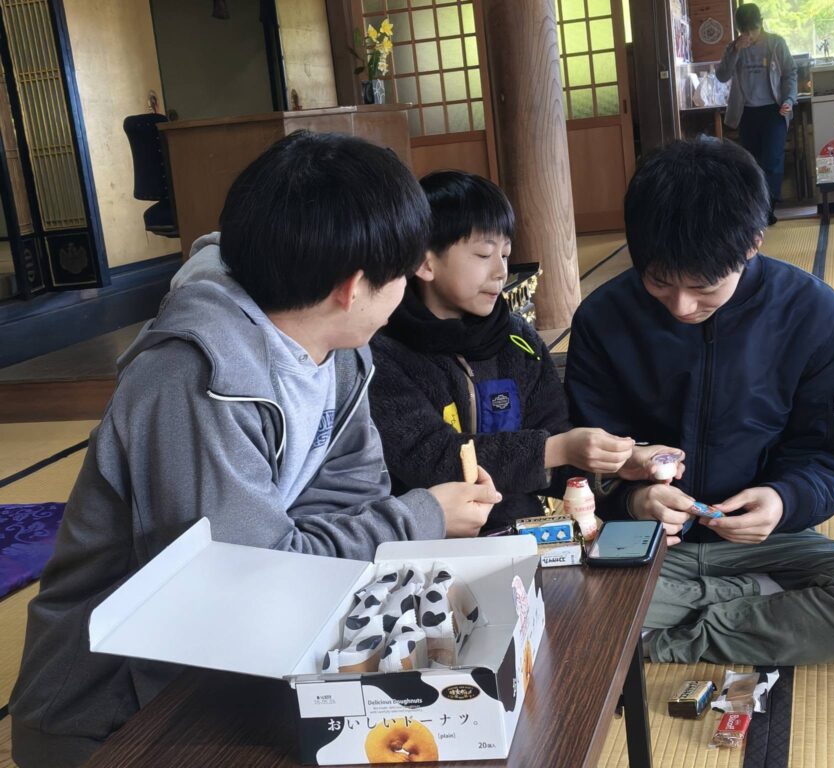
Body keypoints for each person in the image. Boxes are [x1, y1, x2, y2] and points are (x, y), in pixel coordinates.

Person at [10, 133, 501, 768]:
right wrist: (423, 515)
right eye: (403, 276)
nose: (406, 289)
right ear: (354, 287)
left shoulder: (340, 353)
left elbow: (348, 503)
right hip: (120, 712)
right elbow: (243, 581)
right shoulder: (193, 378)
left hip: (247, 665)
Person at [564, 138, 834, 666]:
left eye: (704, 287)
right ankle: (750, 603)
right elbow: (577, 460)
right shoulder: (603, 317)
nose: (682, 305)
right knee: (548, 601)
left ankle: (654, 635)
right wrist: (633, 501)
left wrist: (782, 500)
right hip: (644, 544)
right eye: (659, 282)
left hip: (768, 545)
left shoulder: (813, 313)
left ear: (753, 243)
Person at [369, 171, 675, 532]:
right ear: (425, 262)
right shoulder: (384, 352)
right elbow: (429, 455)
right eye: (484, 254)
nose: (501, 271)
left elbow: (555, 442)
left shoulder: (518, 341)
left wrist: (617, 463)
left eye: (505, 254)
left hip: (521, 534)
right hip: (429, 541)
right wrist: (556, 449)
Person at [716, 2, 797, 225]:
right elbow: (722, 76)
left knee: (772, 160)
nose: (750, 35)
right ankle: (756, 209)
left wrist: (789, 99)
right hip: (747, 112)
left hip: (774, 110)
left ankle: (768, 209)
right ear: (739, 29)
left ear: (761, 23)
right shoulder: (734, 48)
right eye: (745, 31)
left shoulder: (776, 43)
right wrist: (735, 50)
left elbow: (790, 73)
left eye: (753, 29)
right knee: (751, 163)